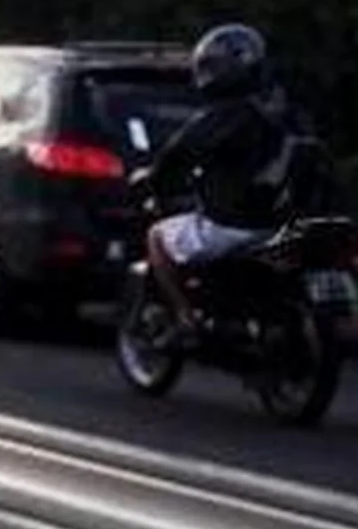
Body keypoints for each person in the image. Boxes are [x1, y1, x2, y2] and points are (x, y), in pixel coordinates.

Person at [133, 21, 314, 334]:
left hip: (237, 224)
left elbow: (176, 158)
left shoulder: (221, 117)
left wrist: (152, 181)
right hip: (290, 223)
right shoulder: (289, 111)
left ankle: (186, 317)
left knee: (157, 237)